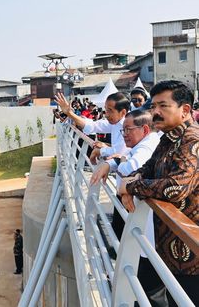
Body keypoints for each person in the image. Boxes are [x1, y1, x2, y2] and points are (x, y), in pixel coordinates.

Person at [118, 80, 199, 306]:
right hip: (172, 253)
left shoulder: (192, 140)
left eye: (163, 106)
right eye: (153, 107)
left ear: (185, 110)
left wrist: (130, 187)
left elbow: (176, 188)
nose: (155, 112)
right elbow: (148, 168)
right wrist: (129, 180)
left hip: (192, 258)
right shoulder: (169, 137)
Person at [90, 110, 163, 303]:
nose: (124, 135)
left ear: (145, 129)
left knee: (150, 288)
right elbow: (124, 159)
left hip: (155, 234)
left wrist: (122, 174)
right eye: (122, 131)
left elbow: (129, 168)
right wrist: (115, 161)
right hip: (149, 233)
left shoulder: (147, 147)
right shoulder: (147, 143)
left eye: (128, 130)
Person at [55, 92, 130, 164]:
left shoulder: (129, 127)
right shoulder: (116, 122)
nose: (106, 115)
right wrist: (70, 113)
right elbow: (93, 125)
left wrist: (100, 151)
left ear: (123, 112)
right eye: (106, 110)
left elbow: (120, 153)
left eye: (110, 111)